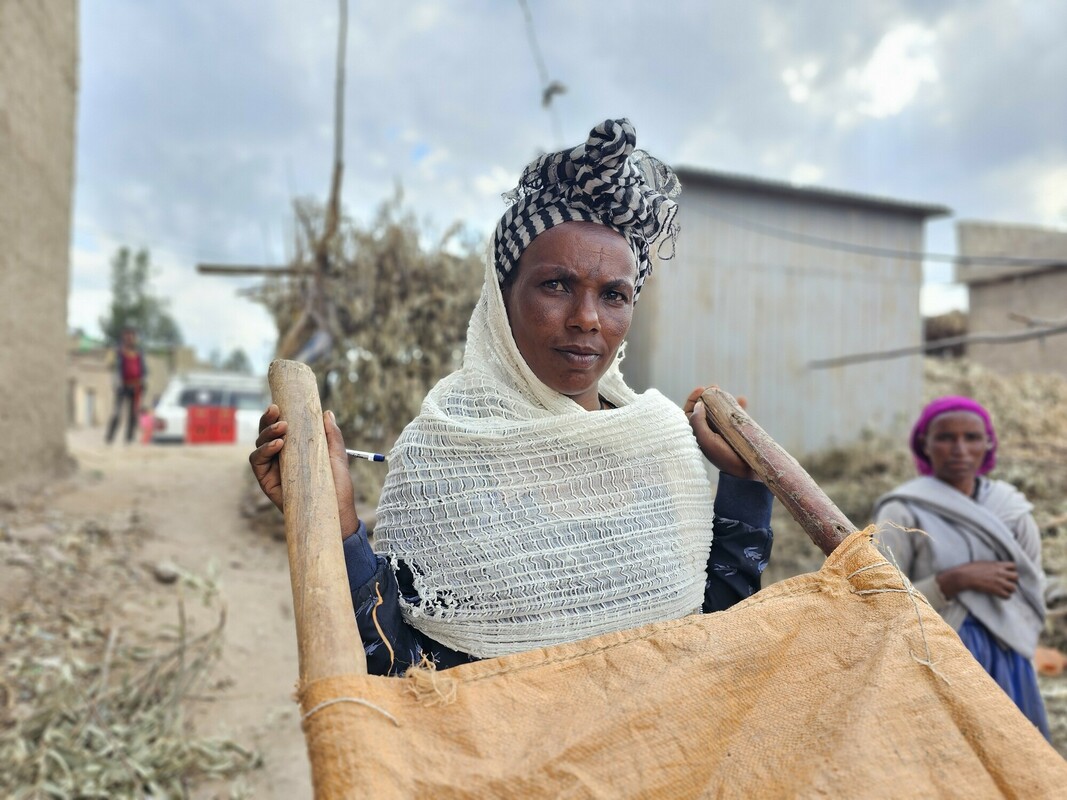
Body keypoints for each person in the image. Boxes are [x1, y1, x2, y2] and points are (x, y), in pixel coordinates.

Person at [251, 119, 774, 676]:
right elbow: (408, 677)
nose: (587, 319)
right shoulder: (441, 456)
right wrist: (339, 527)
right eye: (556, 285)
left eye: (614, 295)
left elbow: (716, 633)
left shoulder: (662, 442)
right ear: (502, 299)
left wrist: (744, 483)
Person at [873, 396, 1050, 739]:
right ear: (924, 444)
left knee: (1013, 757)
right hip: (936, 657)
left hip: (1007, 655)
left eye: (971, 437)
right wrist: (951, 581)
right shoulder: (903, 511)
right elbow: (879, 599)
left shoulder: (1012, 510)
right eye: (945, 437)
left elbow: (1032, 587)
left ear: (988, 443)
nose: (959, 448)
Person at [106, 326, 147, 444]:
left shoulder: (139, 352)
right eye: (127, 335)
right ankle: (110, 438)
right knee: (117, 412)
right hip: (122, 386)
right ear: (123, 337)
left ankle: (129, 439)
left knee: (133, 414)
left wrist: (143, 382)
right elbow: (112, 367)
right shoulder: (118, 352)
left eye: (132, 336)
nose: (130, 338)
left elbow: (144, 370)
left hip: (136, 386)